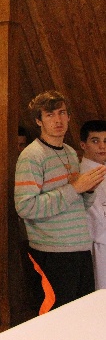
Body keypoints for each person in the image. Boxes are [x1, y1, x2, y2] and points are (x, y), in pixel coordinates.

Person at [15, 91, 106, 311]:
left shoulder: (69, 153)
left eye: (62, 113)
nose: (58, 120)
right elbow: (25, 207)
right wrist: (74, 188)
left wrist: (88, 191)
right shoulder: (32, 155)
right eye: (50, 114)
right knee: (57, 320)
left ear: (69, 117)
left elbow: (77, 206)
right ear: (39, 120)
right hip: (52, 252)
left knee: (80, 316)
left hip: (79, 248)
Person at [80, 120, 106, 290]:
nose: (102, 146)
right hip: (98, 247)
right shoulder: (82, 175)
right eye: (95, 141)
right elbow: (95, 217)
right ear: (83, 144)